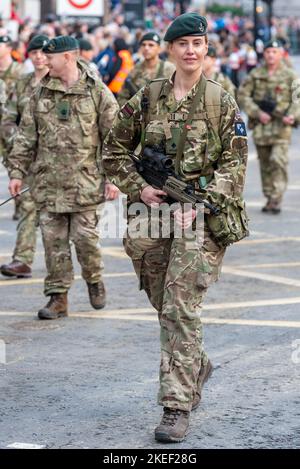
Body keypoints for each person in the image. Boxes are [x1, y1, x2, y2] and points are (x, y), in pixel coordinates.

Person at [103, 13, 248, 443]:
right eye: (182, 43)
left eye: (198, 43)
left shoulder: (221, 101)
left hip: (200, 220)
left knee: (180, 307)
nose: (190, 50)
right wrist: (139, 189)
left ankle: (175, 405)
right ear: (170, 49)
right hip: (151, 216)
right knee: (160, 299)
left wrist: (201, 205)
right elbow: (112, 151)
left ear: (206, 49)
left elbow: (235, 164)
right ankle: (195, 362)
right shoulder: (146, 99)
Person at [7, 36, 119, 320]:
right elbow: (25, 136)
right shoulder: (40, 93)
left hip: (86, 183)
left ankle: (94, 279)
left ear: (68, 57)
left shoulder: (97, 92)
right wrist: (17, 172)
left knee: (85, 241)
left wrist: (113, 178)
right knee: (53, 244)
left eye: (50, 57)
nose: (43, 60)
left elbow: (115, 139)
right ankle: (58, 298)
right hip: (49, 183)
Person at [0, 35, 49, 279]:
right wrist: (18, 142)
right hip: (30, 159)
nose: (39, 56)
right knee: (28, 207)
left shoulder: (65, 82)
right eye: (34, 52)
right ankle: (23, 259)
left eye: (43, 52)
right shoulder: (22, 83)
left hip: (63, 162)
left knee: (64, 217)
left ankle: (79, 267)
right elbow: (8, 118)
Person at [238, 40, 300, 214]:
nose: (271, 55)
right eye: (268, 52)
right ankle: (269, 196)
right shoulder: (255, 74)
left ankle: (276, 197)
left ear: (280, 54)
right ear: (263, 54)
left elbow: (297, 99)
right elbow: (243, 96)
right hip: (261, 127)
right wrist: (257, 113)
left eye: (274, 51)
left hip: (281, 127)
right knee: (265, 164)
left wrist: (292, 116)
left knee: (278, 161)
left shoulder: (290, 76)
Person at [0, 34, 24, 220]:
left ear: (9, 48)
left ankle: (19, 203)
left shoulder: (19, 71)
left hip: (10, 127)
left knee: (13, 166)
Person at [117, 32, 175, 107]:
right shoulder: (135, 70)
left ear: (159, 49)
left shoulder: (169, 69)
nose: (146, 48)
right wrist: (134, 109)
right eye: (143, 45)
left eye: (151, 45)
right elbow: (122, 97)